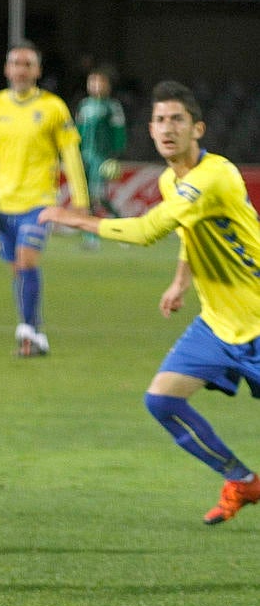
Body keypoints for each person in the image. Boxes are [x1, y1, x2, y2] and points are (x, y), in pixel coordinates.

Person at [39, 80, 260, 525]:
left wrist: (77, 219)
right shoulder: (168, 180)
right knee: (162, 402)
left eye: (177, 119)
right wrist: (180, 283)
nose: (166, 128)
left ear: (198, 128)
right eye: (159, 120)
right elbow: (188, 234)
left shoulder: (214, 176)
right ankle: (242, 480)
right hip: (217, 325)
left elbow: (146, 232)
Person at [0, 40, 89, 357]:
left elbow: (70, 152)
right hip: (3, 203)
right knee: (18, 269)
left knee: (26, 260)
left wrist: (79, 195)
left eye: (27, 64)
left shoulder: (53, 107)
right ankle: (33, 330)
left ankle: (28, 331)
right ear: (7, 69)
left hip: (39, 202)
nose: (21, 69)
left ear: (37, 70)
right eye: (16, 63)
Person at [75, 66, 127, 246]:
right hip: (84, 158)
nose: (96, 85)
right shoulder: (84, 105)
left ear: (107, 86)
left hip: (101, 157)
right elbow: (77, 132)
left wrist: (115, 155)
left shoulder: (112, 107)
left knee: (96, 196)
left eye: (100, 82)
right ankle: (119, 226)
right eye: (92, 82)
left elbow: (119, 132)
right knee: (89, 197)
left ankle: (94, 236)